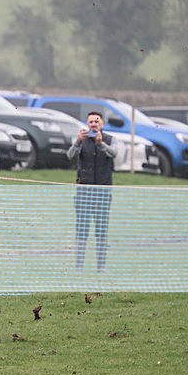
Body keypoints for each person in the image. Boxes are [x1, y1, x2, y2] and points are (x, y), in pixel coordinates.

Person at [67, 111, 118, 272]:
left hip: (103, 192)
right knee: (82, 230)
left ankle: (100, 267)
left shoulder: (110, 139)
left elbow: (114, 153)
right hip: (83, 192)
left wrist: (100, 144)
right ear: (87, 124)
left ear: (102, 124)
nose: (93, 124)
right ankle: (79, 267)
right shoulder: (81, 139)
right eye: (90, 122)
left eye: (97, 122)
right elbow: (70, 156)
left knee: (101, 230)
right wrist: (77, 142)